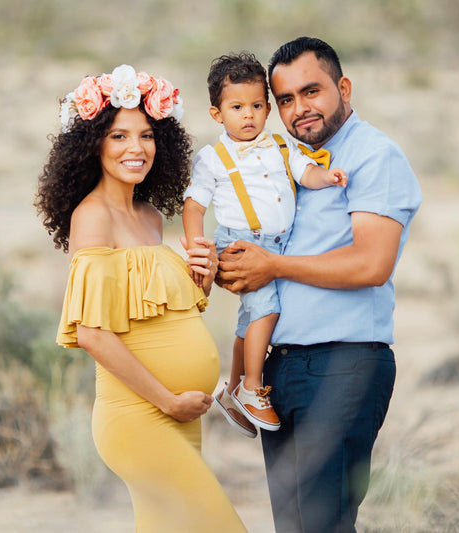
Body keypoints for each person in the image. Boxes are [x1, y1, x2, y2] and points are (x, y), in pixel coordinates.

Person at [218, 37, 423, 533]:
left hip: (343, 364)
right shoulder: (283, 161)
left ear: (343, 87)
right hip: (279, 371)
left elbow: (371, 264)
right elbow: (263, 270)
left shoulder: (374, 155)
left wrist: (272, 266)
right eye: (285, 99)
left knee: (322, 525)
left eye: (311, 91)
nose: (298, 109)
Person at [35, 65, 247, 533]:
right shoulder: (91, 218)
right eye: (119, 136)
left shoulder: (149, 217)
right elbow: (92, 332)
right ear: (92, 144)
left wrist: (202, 277)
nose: (136, 148)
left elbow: (163, 315)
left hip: (181, 416)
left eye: (147, 135)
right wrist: (168, 401)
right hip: (141, 417)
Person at [182, 52, 347, 436]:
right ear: (216, 114)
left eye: (257, 105)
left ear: (268, 108)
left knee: (250, 318)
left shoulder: (279, 145)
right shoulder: (213, 159)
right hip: (240, 243)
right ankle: (254, 387)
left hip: (277, 244)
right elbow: (193, 206)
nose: (248, 115)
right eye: (237, 107)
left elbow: (304, 172)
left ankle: (233, 386)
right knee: (266, 312)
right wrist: (198, 252)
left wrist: (327, 176)